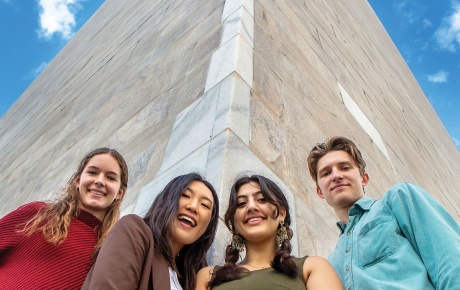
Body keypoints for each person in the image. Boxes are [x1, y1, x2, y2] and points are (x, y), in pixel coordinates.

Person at [307, 136, 460, 290]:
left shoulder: (399, 198)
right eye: (326, 173)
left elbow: (450, 261)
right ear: (320, 192)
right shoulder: (330, 264)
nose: (336, 175)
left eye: (345, 168)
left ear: (364, 179)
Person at [0, 147, 129, 289]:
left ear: (120, 193)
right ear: (78, 181)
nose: (99, 181)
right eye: (92, 172)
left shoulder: (107, 252)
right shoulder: (36, 215)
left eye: (110, 178)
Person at [196, 175, 342, 290]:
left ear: (282, 213)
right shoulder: (208, 276)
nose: (251, 207)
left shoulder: (312, 267)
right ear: (234, 222)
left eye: (262, 199)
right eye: (241, 204)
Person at [82, 172, 219, 290]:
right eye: (185, 195)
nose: (193, 206)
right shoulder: (133, 230)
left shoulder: (191, 281)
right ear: (167, 201)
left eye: (205, 205)